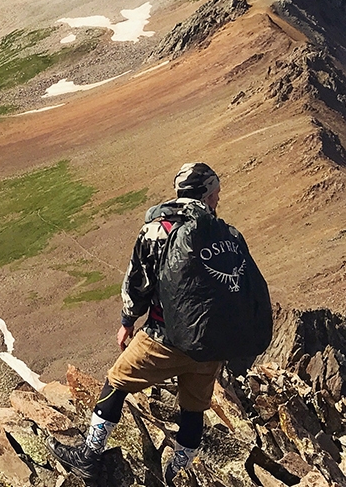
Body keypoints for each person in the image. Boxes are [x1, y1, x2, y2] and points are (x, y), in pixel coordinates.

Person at [51, 162, 230, 485]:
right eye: (216, 192)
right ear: (206, 193)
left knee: (116, 382)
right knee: (193, 410)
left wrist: (127, 321)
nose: (219, 197)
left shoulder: (157, 229)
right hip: (210, 344)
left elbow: (138, 279)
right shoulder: (222, 233)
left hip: (165, 337)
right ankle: (178, 475)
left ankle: (90, 456)